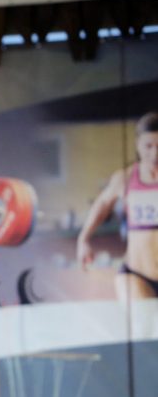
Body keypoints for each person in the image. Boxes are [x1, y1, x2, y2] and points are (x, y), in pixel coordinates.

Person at [77, 111, 158, 301]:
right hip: (137, 274)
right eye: (148, 146)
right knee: (143, 326)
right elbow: (103, 203)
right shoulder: (126, 178)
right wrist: (84, 238)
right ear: (138, 145)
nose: (154, 153)